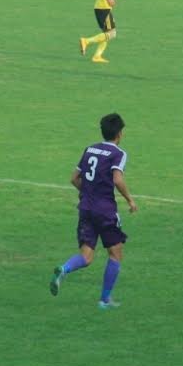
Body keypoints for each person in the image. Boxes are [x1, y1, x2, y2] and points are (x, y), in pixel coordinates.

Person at [49, 112, 138, 309]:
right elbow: (117, 179)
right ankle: (104, 301)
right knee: (115, 253)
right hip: (105, 211)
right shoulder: (118, 154)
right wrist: (130, 200)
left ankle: (64, 269)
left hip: (86, 209)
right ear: (120, 133)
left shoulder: (90, 149)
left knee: (86, 256)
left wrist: (88, 193)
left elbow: (74, 178)